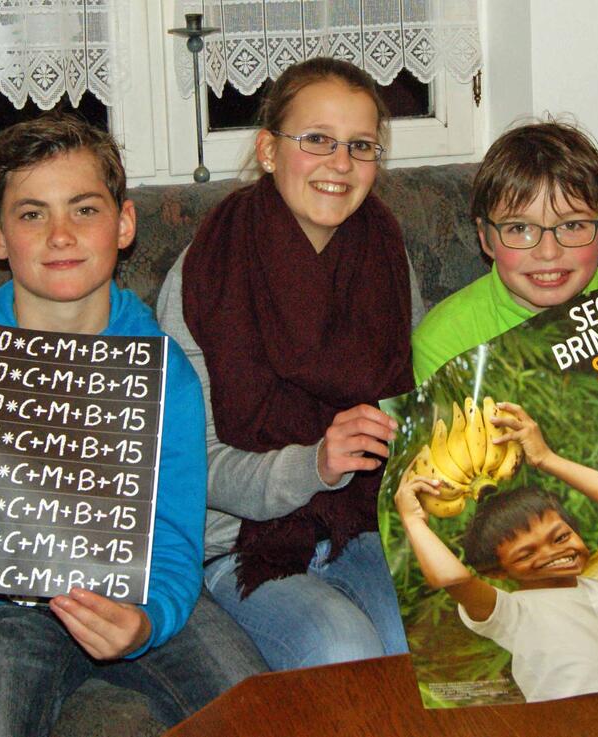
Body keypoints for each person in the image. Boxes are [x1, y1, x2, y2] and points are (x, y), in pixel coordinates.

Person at [0, 114, 265, 737]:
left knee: (261, 713)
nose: (60, 234)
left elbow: (173, 542)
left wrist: (146, 623)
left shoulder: (162, 372)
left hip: (134, 590)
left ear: (124, 224)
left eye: (83, 209)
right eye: (32, 214)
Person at [156, 57, 421, 671]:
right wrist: (315, 466)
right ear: (270, 151)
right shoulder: (207, 272)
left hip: (363, 525)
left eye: (361, 145)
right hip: (237, 545)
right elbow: (192, 465)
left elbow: (411, 412)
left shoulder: (386, 254)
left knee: (420, 641)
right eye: (318, 140)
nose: (341, 163)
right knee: (341, 646)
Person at [395, 402, 598, 702]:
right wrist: (413, 521)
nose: (552, 553)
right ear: (496, 571)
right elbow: (452, 579)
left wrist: (547, 459)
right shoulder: (510, 612)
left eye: (561, 537)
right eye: (525, 554)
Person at [411, 121, 598, 383]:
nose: (548, 252)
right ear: (486, 239)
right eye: (519, 228)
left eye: (571, 225)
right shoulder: (445, 340)